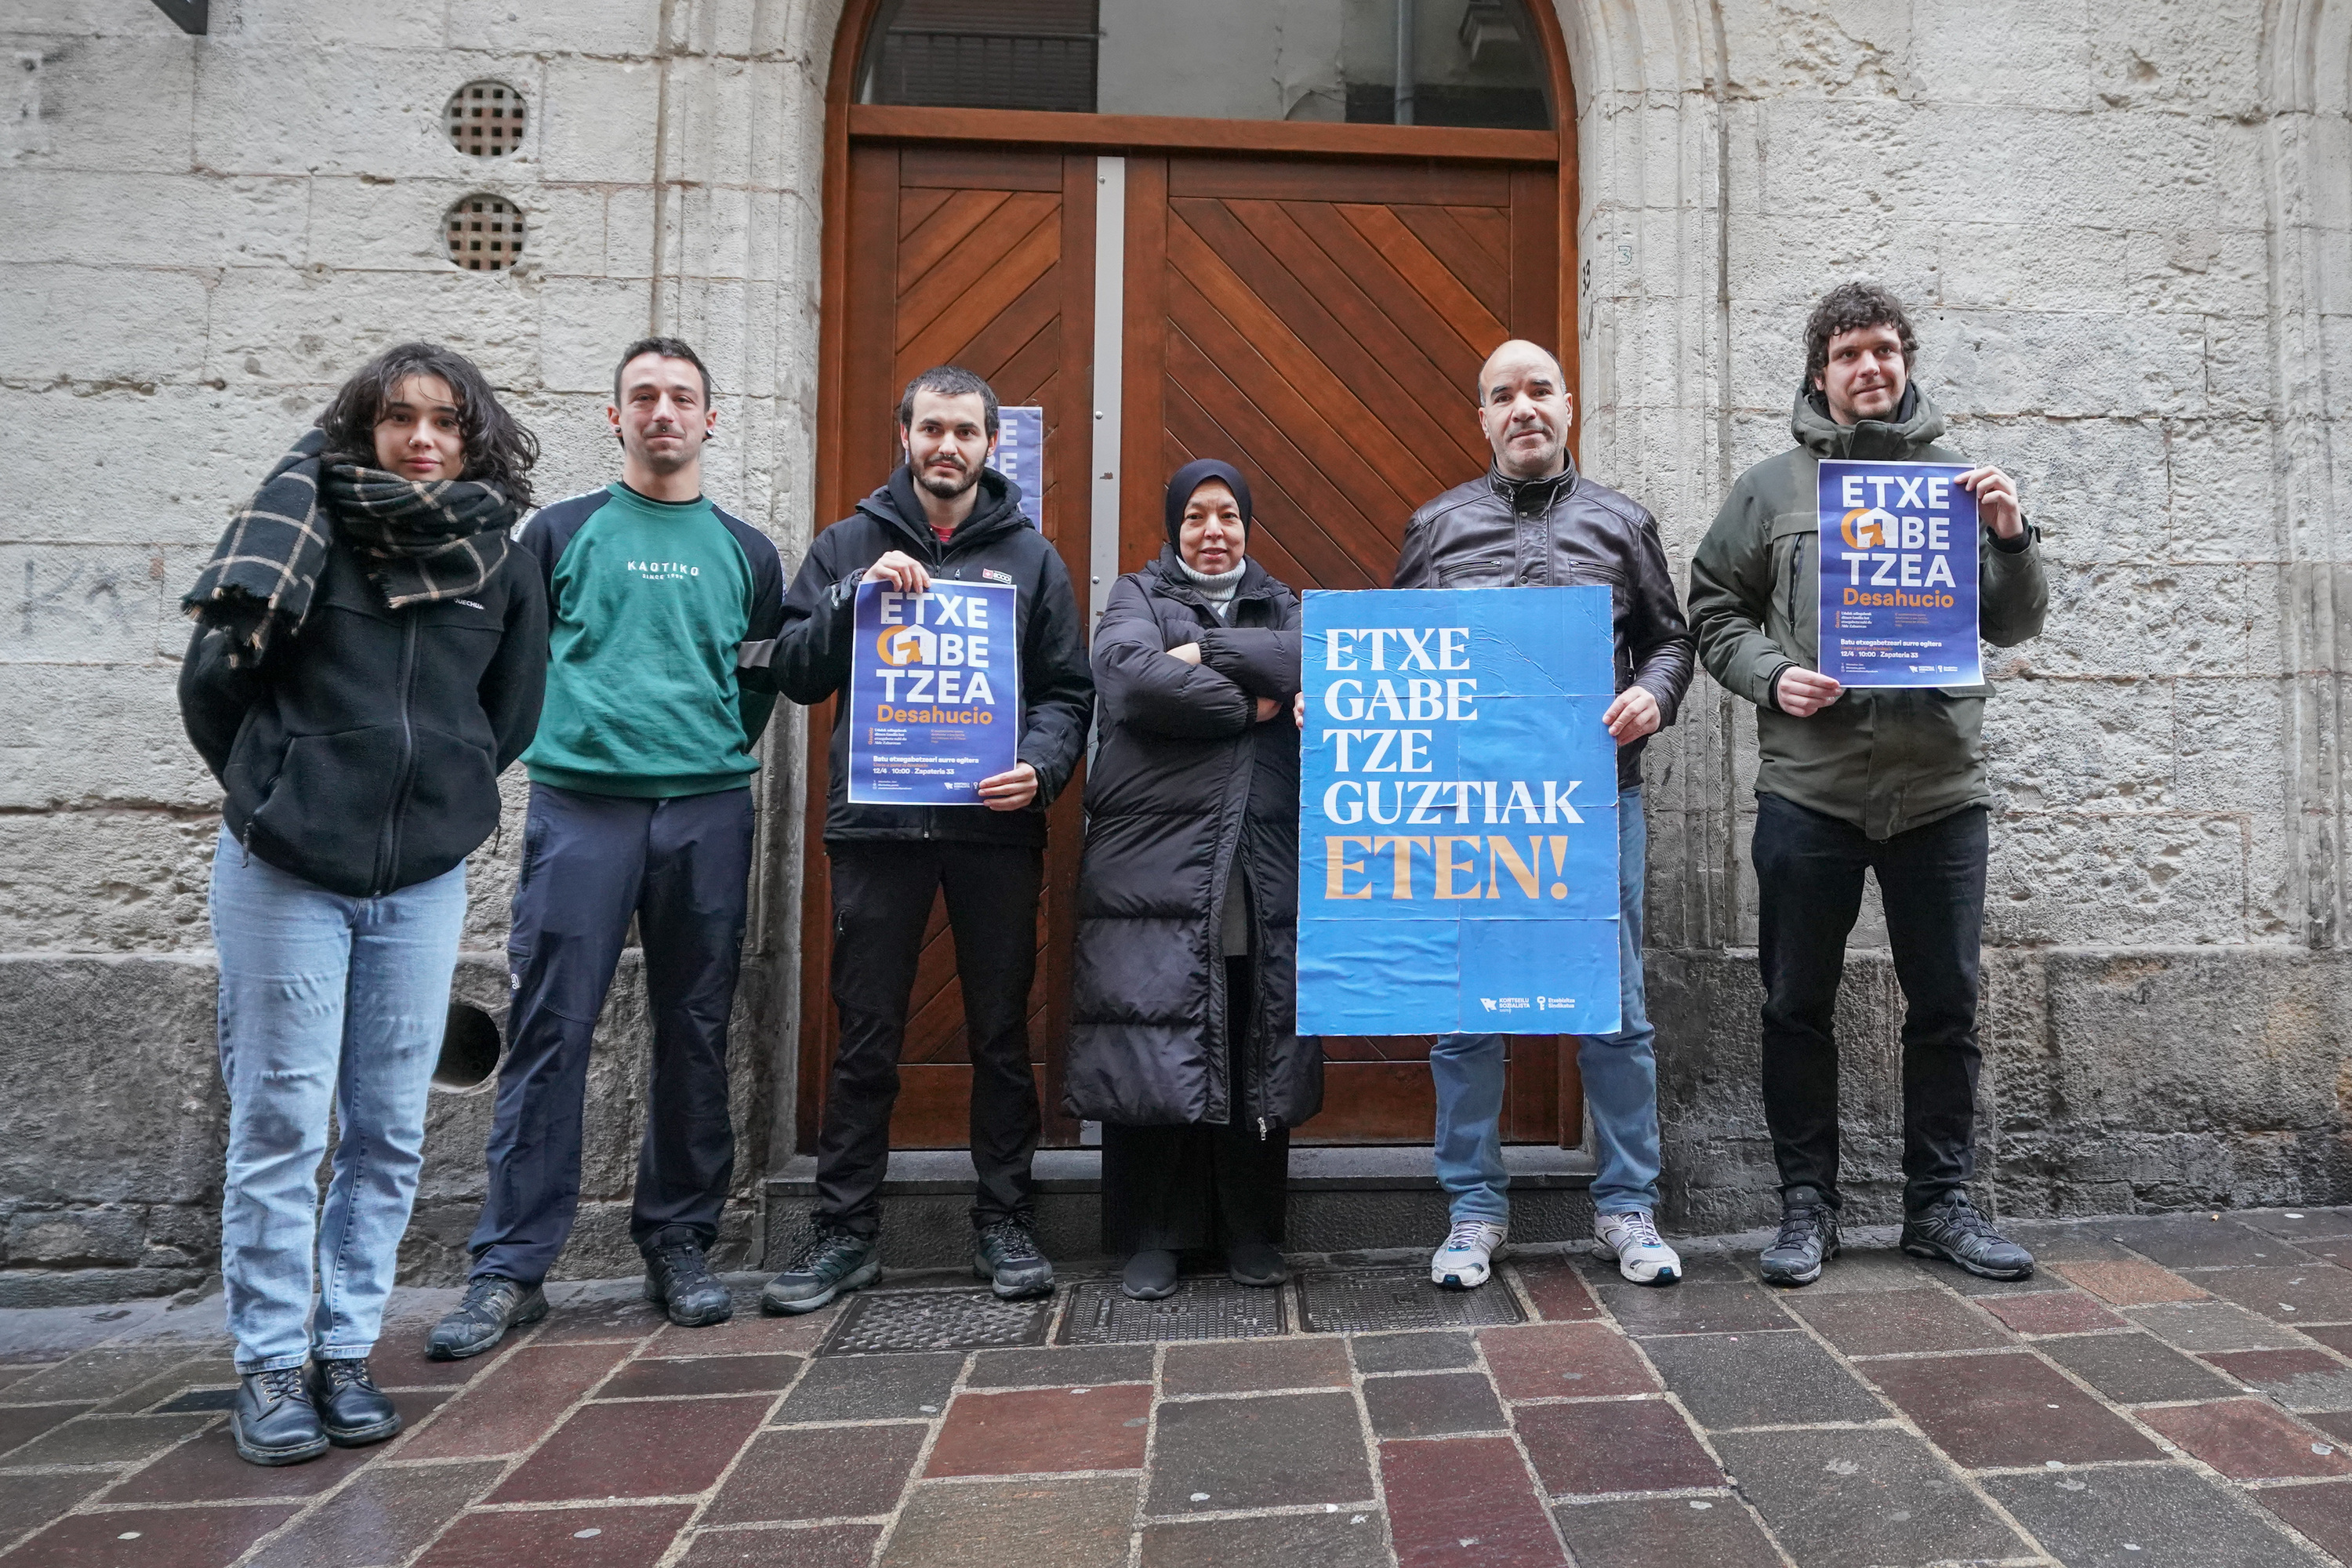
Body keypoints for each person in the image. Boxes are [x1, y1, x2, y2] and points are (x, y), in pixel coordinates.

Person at [179, 343, 547, 1464]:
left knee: (387, 1131)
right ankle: (271, 1366)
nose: (423, 440)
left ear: (475, 438)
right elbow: (215, 687)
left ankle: (346, 1350)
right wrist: (285, 792)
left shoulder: (503, 560)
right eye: (400, 419)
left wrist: (440, 805)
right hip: (285, 872)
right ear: (366, 429)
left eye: (445, 422)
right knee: (283, 1124)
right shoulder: (301, 528)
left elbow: (509, 713)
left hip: (419, 882)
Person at [426, 336, 788, 1358]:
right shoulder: (560, 533)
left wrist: (702, 753)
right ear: (616, 415)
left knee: (696, 1031)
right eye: (644, 397)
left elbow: (755, 685)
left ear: (710, 419)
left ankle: (679, 1241)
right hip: (581, 811)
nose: (663, 412)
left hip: (708, 809)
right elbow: (515, 661)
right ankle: (509, 1268)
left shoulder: (749, 552)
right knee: (550, 1032)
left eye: (681, 398)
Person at [1687, 281, 2047, 1287]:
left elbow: (2015, 623)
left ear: (1907, 362)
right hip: (1811, 789)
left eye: (1885, 349)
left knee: (1947, 1006)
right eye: (1849, 354)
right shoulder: (1769, 491)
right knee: (1796, 1001)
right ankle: (1808, 1207)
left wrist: (2012, 533)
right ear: (1821, 373)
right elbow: (1712, 608)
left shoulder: (1959, 487)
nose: (1870, 367)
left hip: (1940, 789)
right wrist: (1770, 672)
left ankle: (1940, 1205)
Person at [757, 365, 1093, 1314]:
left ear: (992, 446)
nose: (949, 447)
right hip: (878, 829)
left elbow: (1069, 692)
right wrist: (851, 598)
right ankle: (844, 1232)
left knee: (997, 1034)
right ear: (903, 435)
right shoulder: (845, 545)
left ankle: (1005, 1218)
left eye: (967, 432)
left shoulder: (1033, 559)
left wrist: (1042, 764)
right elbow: (794, 670)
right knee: (865, 1035)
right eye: (933, 429)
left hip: (993, 830)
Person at [1392, 339, 1695, 1291]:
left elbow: (1670, 640)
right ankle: (1473, 1210)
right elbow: (1395, 654)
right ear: (1480, 417)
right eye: (1501, 395)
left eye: (1538, 390)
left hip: (1600, 805)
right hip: (1470, 813)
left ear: (1569, 406)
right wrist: (1341, 700)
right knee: (1465, 1014)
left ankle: (1627, 1207)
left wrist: (1655, 694)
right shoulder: (1435, 527)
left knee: (1615, 1009)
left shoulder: (1622, 523)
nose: (1522, 407)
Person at [1065, 460, 1308, 1301]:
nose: (1214, 530)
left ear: (1248, 524)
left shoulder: (1284, 600)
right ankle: (1152, 1235)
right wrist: (1251, 705)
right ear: (1174, 526)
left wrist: (1205, 650)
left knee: (1250, 1035)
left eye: (1230, 515)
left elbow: (1312, 654)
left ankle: (1250, 1227)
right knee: (1154, 1032)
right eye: (1198, 515)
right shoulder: (1135, 593)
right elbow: (1130, 677)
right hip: (1154, 869)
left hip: (1256, 867)